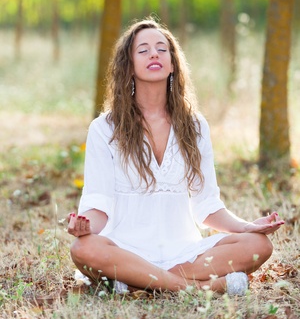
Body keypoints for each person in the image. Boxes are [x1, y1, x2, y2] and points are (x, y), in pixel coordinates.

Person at [68, 18, 284, 296]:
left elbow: (207, 204)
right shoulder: (104, 128)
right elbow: (99, 203)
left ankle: (137, 283)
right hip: (124, 249)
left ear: (173, 64)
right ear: (128, 66)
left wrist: (248, 226)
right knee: (84, 249)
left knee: (259, 245)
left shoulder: (195, 126)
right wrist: (83, 226)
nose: (154, 54)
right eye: (143, 50)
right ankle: (198, 289)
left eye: (162, 49)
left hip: (184, 253)